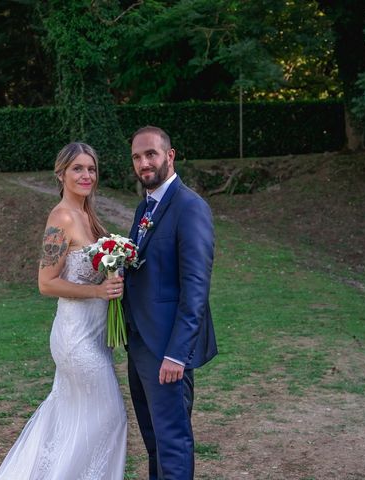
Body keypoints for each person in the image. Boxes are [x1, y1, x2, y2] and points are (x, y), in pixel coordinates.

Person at [0, 142, 127, 480]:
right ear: (61, 173)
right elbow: (46, 283)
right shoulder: (61, 217)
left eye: (91, 169)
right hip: (76, 338)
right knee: (111, 416)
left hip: (97, 337)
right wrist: (98, 290)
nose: (86, 175)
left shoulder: (90, 217)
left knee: (72, 419)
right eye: (77, 168)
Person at [122, 126, 218, 480]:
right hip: (141, 344)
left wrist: (177, 353)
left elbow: (196, 288)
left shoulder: (190, 207)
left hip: (167, 352)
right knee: (154, 443)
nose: (144, 163)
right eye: (136, 157)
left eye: (151, 154)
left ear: (170, 156)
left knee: (173, 443)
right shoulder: (145, 207)